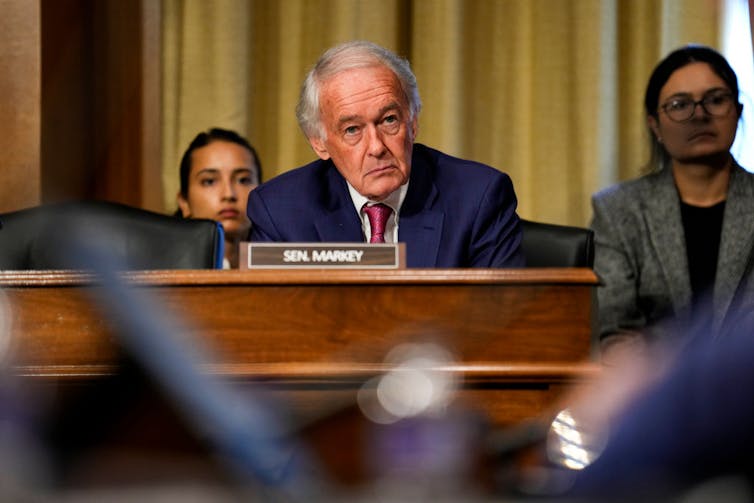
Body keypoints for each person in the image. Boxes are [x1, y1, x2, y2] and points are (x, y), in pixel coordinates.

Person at [246, 40, 524, 268]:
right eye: (352, 129)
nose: (377, 147)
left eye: (389, 120)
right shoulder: (280, 211)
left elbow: (501, 318)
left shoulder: (478, 197)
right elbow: (275, 325)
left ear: (413, 121)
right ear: (319, 143)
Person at [590, 45, 754, 360]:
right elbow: (614, 330)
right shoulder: (618, 210)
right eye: (680, 105)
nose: (700, 114)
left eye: (716, 100)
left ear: (739, 111)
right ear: (655, 124)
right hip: (654, 394)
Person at [177, 128, 262, 268]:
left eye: (243, 180)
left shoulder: (288, 263)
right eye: (209, 181)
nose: (229, 194)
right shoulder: (157, 270)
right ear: (184, 202)